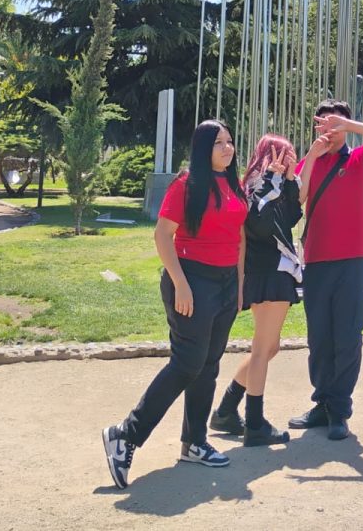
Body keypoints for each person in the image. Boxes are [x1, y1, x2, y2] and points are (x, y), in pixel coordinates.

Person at [101, 120, 248, 490]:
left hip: (227, 282)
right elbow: (162, 235)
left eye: (230, 142)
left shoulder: (233, 183)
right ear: (203, 148)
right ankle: (126, 434)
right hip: (192, 280)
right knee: (187, 364)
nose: (227, 149)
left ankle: (194, 443)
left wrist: (240, 286)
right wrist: (181, 284)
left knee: (209, 365)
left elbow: (240, 237)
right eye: (219, 143)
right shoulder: (187, 184)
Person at [288, 99, 363, 441]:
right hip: (318, 259)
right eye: (323, 123)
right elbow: (298, 197)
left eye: (334, 124)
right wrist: (312, 154)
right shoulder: (311, 160)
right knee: (319, 337)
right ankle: (321, 404)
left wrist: (349, 126)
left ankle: (339, 410)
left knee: (348, 337)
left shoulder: (361, 157)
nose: (329, 130)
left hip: (353, 261)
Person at [210, 133, 314, 447]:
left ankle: (227, 410)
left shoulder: (274, 183)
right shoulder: (258, 184)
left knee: (269, 348)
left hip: (274, 271)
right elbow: (260, 222)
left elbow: (292, 214)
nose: (290, 159)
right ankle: (254, 422)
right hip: (268, 272)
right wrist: (273, 176)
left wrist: (291, 177)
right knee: (261, 349)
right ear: (270, 155)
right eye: (285, 154)